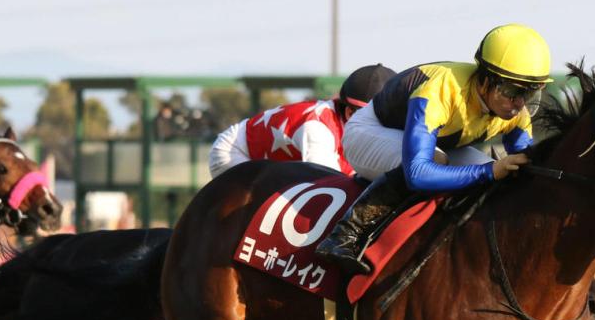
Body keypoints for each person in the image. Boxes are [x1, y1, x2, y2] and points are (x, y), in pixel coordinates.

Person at [316, 24, 552, 274]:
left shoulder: (517, 112)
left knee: (485, 170)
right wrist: (490, 170)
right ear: (485, 79)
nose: (519, 103)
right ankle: (344, 236)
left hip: (429, 141)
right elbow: (417, 173)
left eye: (529, 93)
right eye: (512, 91)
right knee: (450, 163)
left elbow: (526, 165)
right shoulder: (439, 91)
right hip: (367, 132)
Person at [208, 64, 397, 178]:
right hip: (235, 153)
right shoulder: (318, 128)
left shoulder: (349, 125)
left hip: (277, 166)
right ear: (349, 113)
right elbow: (328, 184)